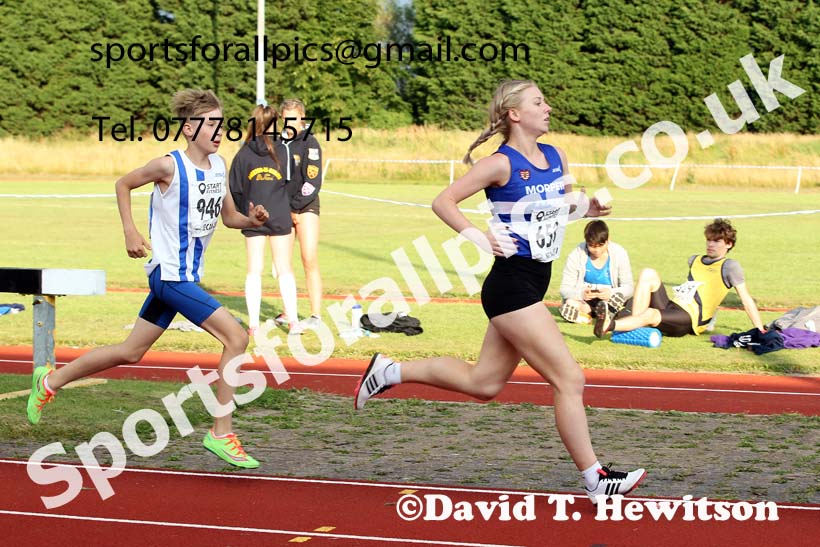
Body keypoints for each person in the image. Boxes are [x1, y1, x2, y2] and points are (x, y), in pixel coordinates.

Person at [354, 80, 646, 503]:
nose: (548, 107)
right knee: (569, 378)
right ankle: (595, 478)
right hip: (510, 284)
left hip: (536, 279)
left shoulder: (555, 154)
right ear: (514, 114)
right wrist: (477, 236)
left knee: (484, 383)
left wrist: (587, 209)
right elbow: (443, 202)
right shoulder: (499, 164)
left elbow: (560, 206)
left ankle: (388, 371)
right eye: (538, 102)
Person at [27, 89, 269, 469]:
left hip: (181, 277)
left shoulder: (219, 167)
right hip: (170, 277)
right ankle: (222, 432)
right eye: (210, 124)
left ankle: (49, 381)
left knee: (131, 352)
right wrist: (130, 230)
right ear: (189, 129)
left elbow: (229, 218)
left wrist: (251, 220)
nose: (219, 131)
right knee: (237, 337)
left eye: (222, 124)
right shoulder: (168, 166)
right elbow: (123, 184)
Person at [593, 218, 765, 338]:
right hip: (674, 306)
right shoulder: (695, 260)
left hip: (690, 319)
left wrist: (759, 328)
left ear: (729, 244)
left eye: (717, 241)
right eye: (709, 240)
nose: (710, 244)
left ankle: (609, 326)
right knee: (648, 273)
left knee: (651, 313)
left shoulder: (730, 267)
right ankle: (634, 325)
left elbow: (746, 300)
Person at [230, 104, 301, 336]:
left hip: (253, 216)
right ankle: (293, 322)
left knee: (254, 270)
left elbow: (236, 189)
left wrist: (247, 213)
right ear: (275, 124)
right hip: (279, 213)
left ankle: (253, 325)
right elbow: (290, 184)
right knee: (284, 269)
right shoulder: (283, 149)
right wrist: (283, 206)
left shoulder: (243, 152)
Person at [271, 98, 324, 330]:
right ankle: (288, 311)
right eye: (287, 117)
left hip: (306, 206)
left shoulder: (310, 143)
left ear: (303, 118)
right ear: (282, 118)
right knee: (284, 263)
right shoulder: (275, 142)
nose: (291, 122)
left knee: (308, 258)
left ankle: (315, 314)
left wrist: (295, 207)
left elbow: (313, 180)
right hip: (282, 208)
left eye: (295, 117)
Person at [558, 220, 633, 324]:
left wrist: (610, 293)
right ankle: (590, 315)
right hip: (585, 301)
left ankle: (605, 313)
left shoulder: (619, 253)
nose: (597, 250)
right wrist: (581, 294)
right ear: (586, 242)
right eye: (592, 246)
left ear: (608, 240)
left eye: (601, 245)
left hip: (610, 299)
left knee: (619, 300)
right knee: (570, 302)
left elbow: (629, 288)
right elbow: (564, 289)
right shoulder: (576, 255)